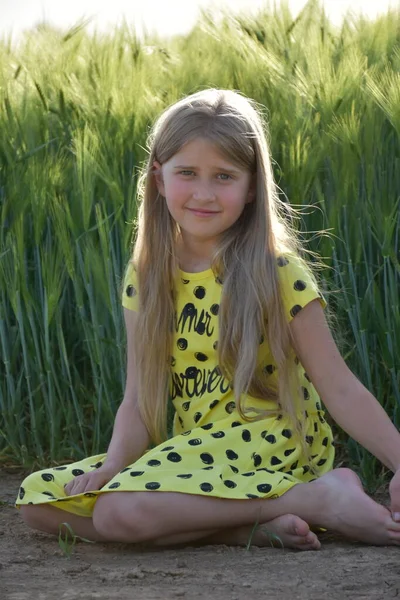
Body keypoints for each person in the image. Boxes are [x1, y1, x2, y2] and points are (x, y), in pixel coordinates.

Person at [17, 88, 400, 550]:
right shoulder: (147, 276)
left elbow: (339, 386)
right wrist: (113, 466)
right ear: (158, 179)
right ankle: (244, 528)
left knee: (119, 513)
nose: (204, 193)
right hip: (197, 449)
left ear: (252, 186)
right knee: (36, 500)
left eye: (223, 176)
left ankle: (317, 497)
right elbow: (138, 400)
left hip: (269, 445)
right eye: (187, 173)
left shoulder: (275, 272)